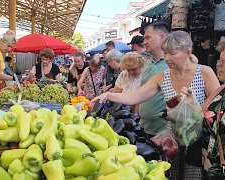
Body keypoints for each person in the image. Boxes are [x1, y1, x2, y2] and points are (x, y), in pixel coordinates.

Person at [92, 31, 220, 180]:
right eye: (165, 53)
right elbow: (135, 96)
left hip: (199, 143)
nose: (167, 58)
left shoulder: (204, 72)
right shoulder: (162, 77)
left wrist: (194, 106)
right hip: (173, 142)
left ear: (187, 52)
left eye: (172, 53)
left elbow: (217, 108)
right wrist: (109, 95)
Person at [186, 37, 225, 180]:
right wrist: (189, 104)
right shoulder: (220, 90)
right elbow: (200, 116)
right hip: (211, 167)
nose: (219, 65)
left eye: (223, 61)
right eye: (219, 60)